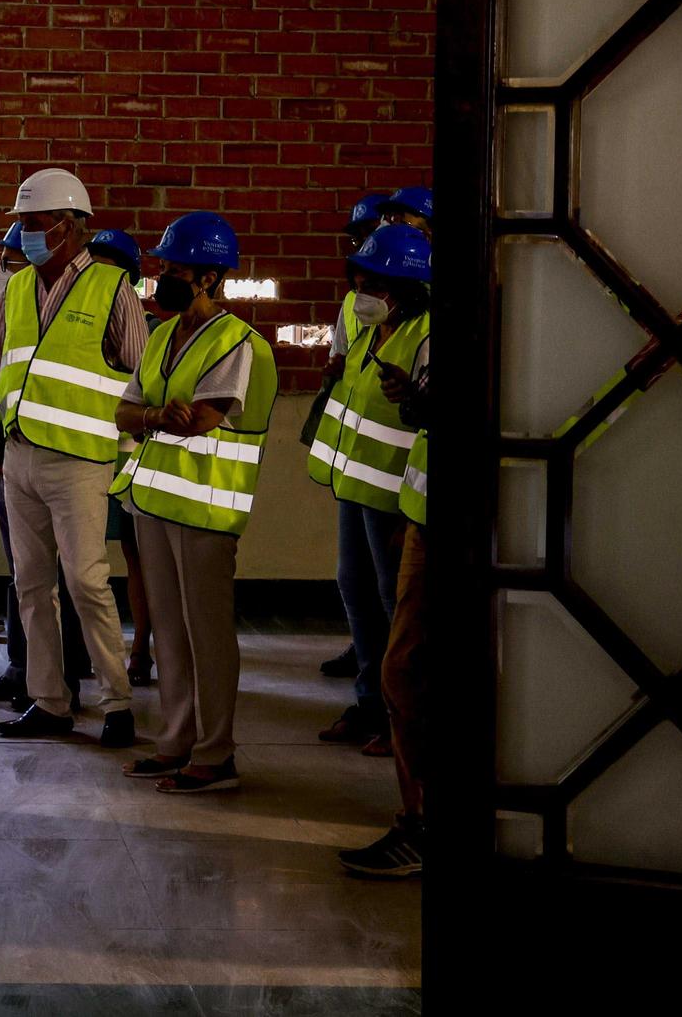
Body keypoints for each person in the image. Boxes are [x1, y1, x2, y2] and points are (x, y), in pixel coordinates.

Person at [111, 212, 276, 793]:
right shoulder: (160, 335)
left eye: (174, 268)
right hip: (154, 503)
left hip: (206, 509)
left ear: (209, 277)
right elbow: (124, 413)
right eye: (160, 266)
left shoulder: (238, 344)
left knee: (207, 632)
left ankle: (216, 752)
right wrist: (159, 415)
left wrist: (160, 417)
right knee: (171, 632)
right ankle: (174, 742)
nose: (163, 276)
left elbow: (204, 420)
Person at [0, 168, 149, 749]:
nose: (25, 236)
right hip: (19, 456)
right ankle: (49, 700)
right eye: (22, 225)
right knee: (31, 585)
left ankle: (117, 703)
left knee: (86, 582)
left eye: (35, 225)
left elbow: (141, 376)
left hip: (80, 460)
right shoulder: (16, 290)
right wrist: (1, 435)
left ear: (73, 227)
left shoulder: (112, 288)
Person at [306, 224, 432, 752]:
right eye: (359, 279)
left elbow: (432, 414)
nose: (362, 292)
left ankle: (403, 717)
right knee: (355, 590)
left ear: (403, 287)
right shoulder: (365, 332)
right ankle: (369, 704)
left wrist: (411, 394)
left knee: (391, 603)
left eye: (374, 282)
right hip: (355, 485)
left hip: (395, 497)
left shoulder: (426, 334)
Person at [0, 224, 90, 705]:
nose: (4, 270)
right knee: (27, 576)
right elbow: (6, 381)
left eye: (12, 260)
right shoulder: (13, 302)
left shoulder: (75, 304)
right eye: (4, 260)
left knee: (69, 578)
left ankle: (65, 677)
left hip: (66, 458)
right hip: (17, 455)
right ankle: (27, 671)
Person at [341, 318, 431, 877]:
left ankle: (424, 830)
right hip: (422, 511)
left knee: (410, 672)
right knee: (405, 673)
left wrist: (421, 403)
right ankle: (417, 821)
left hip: (452, 520)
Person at [318, 192, 391, 680]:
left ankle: (392, 699)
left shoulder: (422, 322)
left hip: (395, 477)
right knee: (355, 581)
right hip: (354, 465)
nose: (361, 246)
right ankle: (369, 687)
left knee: (391, 589)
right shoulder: (356, 307)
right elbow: (342, 368)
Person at [88, 227, 158, 686]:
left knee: (139, 558)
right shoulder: (77, 326)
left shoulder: (149, 330)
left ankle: (140, 650)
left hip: (133, 459)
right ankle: (89, 653)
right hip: (89, 455)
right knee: (85, 561)